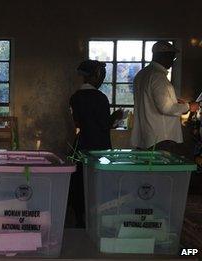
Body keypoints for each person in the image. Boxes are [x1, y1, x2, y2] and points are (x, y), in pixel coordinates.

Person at [68, 59, 123, 228]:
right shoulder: (100, 98)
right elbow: (103, 125)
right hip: (98, 146)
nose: (102, 79)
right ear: (96, 75)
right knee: (98, 181)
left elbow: (78, 122)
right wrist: (116, 116)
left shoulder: (75, 97)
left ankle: (79, 217)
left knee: (79, 181)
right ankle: (97, 217)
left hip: (81, 143)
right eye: (102, 75)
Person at [131, 41, 199, 154]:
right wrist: (188, 106)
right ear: (163, 56)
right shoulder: (158, 77)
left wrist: (174, 101)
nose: (172, 61)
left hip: (145, 137)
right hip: (161, 139)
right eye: (171, 57)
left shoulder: (142, 74)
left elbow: (150, 101)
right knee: (162, 171)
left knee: (148, 170)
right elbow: (166, 108)